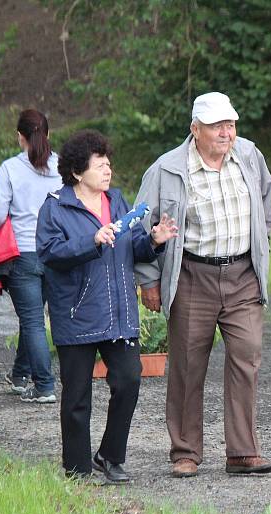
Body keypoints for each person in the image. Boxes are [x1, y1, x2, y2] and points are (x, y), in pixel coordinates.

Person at [134, 92, 271, 478]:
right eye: (217, 126)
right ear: (195, 129)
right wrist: (149, 280)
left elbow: (265, 202)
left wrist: (261, 245)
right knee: (187, 363)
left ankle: (243, 452)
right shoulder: (166, 169)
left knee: (247, 355)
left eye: (230, 124)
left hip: (243, 275)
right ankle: (185, 451)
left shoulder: (249, 155)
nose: (226, 132)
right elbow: (140, 227)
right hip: (193, 276)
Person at [36, 130, 178, 482]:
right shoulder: (56, 206)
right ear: (76, 172)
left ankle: (110, 456)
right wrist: (91, 240)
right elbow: (50, 254)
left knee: (129, 379)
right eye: (98, 163)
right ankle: (77, 469)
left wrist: (154, 241)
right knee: (77, 397)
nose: (107, 169)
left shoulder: (116, 201)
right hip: (77, 313)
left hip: (119, 312)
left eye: (108, 162)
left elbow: (131, 248)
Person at [0, 109, 62, 403]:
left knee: (31, 320)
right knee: (31, 316)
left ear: (20, 137)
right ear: (48, 134)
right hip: (56, 253)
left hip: (22, 254)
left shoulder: (10, 168)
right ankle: (20, 375)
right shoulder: (63, 166)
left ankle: (44, 385)